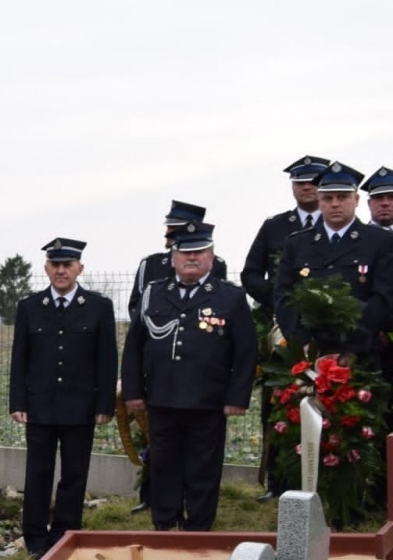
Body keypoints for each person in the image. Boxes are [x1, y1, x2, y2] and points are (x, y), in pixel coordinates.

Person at [123, 223, 257, 531]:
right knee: (163, 464)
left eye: (199, 252)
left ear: (211, 256)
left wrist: (237, 398)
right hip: (162, 398)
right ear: (173, 257)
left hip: (207, 400)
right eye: (185, 252)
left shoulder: (231, 298)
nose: (191, 258)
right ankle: (165, 522)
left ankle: (198, 526)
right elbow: (134, 348)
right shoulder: (154, 293)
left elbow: (246, 352)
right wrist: (133, 392)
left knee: (203, 467)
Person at [9, 238, 117, 558]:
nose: (61, 271)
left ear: (79, 268)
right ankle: (35, 536)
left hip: (80, 407)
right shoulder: (29, 307)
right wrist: (18, 402)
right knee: (38, 472)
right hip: (40, 406)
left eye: (67, 265)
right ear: (46, 269)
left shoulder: (99, 307)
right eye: (55, 265)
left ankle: (65, 532)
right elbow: (20, 359)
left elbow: (107, 361)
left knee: (74, 473)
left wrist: (104, 405)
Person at [243, 155, 328, 502]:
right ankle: (276, 481)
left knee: (328, 398)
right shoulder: (275, 226)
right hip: (282, 331)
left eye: (312, 181)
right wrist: (281, 304)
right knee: (279, 402)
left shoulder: (342, 225)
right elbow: (251, 274)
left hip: (328, 329)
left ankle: (326, 478)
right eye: (298, 182)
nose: (305, 187)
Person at [274, 161, 393, 367]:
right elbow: (284, 296)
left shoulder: (379, 241)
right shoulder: (297, 243)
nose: (335, 204)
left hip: (362, 355)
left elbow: (383, 298)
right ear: (319, 202)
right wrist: (302, 343)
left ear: (356, 200)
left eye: (342, 197)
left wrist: (353, 348)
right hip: (309, 354)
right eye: (328, 198)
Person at [127, 200, 229, 321]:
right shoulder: (151, 264)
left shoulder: (216, 264)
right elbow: (137, 307)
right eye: (168, 227)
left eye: (173, 228)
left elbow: (219, 304)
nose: (167, 233)